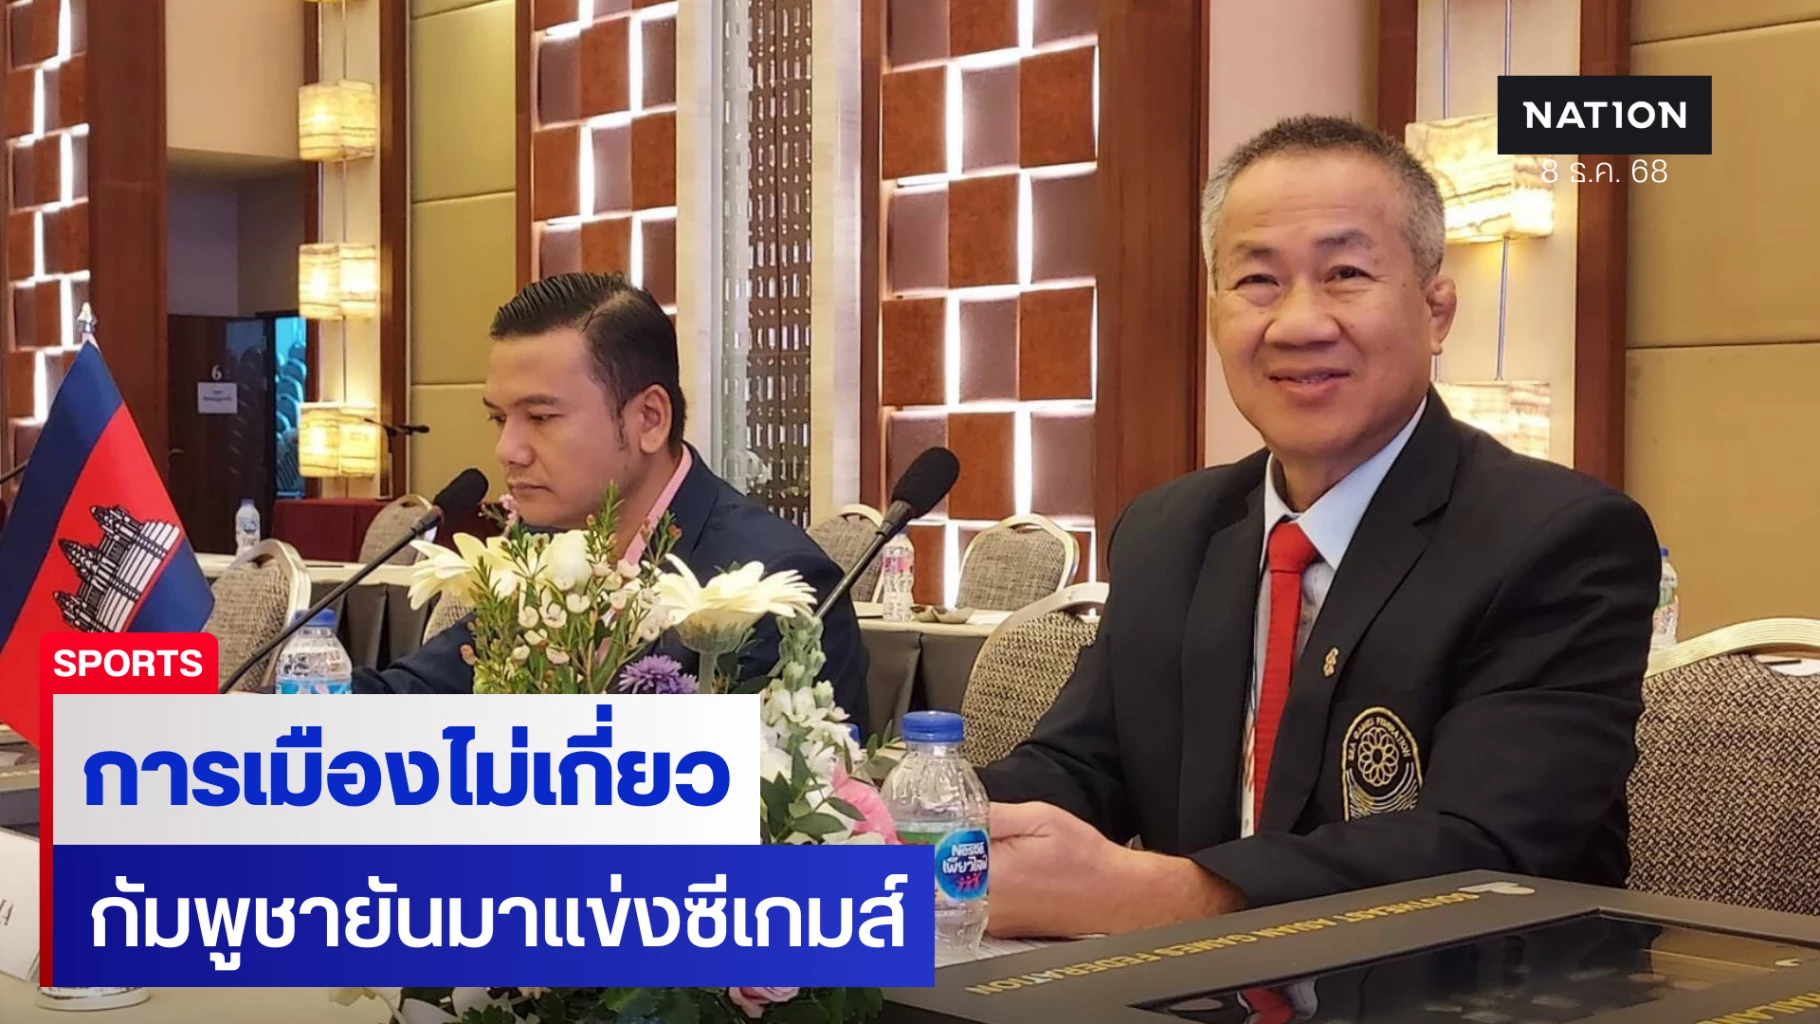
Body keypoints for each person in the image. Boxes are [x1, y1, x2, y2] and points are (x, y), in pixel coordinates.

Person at [976, 116, 1660, 938]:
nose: (1298, 323)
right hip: (1190, 988)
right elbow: (1075, 767)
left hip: (1459, 985)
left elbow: (1486, 853)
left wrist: (1161, 896)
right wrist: (896, 821)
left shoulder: (1559, 540)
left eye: (1345, 274)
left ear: (1437, 310)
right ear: (1215, 314)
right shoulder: (1168, 530)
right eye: (1258, 281)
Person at [353, 273, 871, 730]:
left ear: (649, 419)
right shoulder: (544, 547)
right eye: (498, 418)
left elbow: (784, 793)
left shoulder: (771, 585)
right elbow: (414, 699)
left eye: (540, 418)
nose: (507, 450)